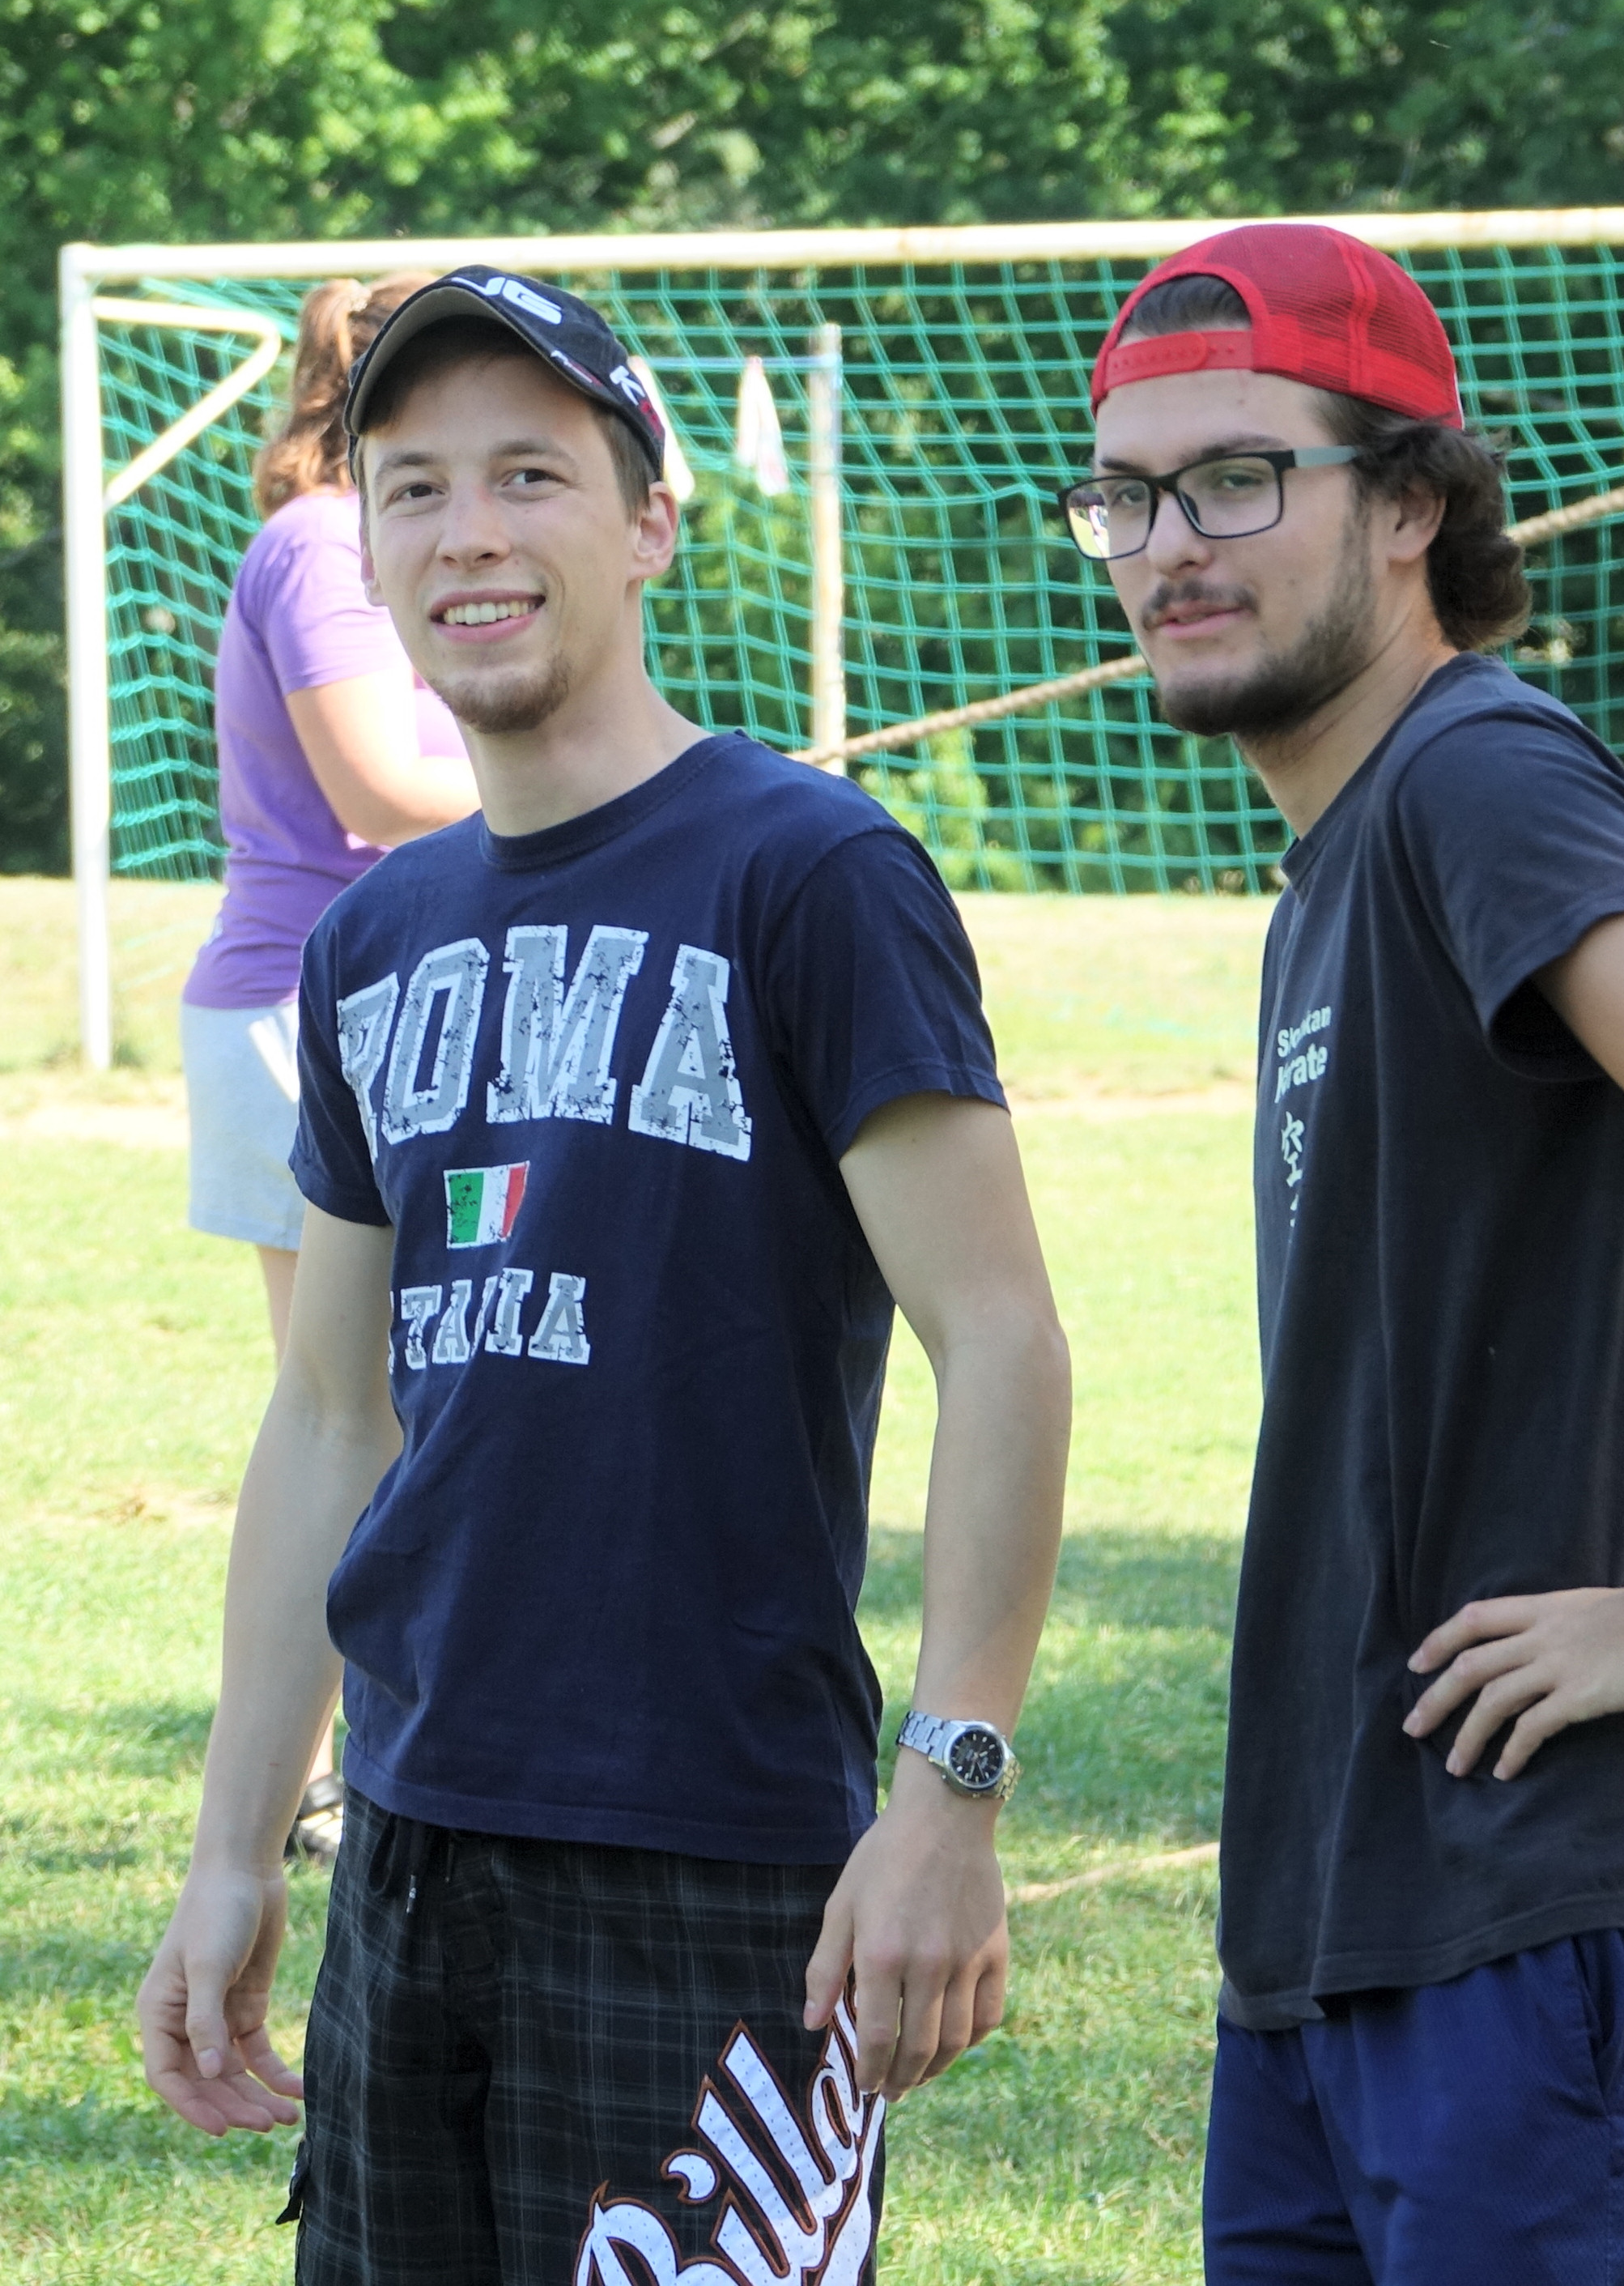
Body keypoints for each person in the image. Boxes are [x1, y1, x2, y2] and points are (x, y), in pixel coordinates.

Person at [138, 266, 1072, 2285]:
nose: (466, 532)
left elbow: (997, 1338)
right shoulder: (374, 936)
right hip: (409, 1842)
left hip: (715, 1855)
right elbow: (330, 1414)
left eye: (528, 476)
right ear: (364, 548)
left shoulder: (807, 871)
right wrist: (234, 1846)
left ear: (647, 522)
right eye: (412, 488)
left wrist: (951, 1792)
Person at [1065, 223, 1624, 2284]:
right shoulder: (1332, 862)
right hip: (1350, 1915)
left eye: (1238, 479)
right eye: (1126, 498)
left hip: (1553, 1897)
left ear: (1409, 505)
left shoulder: (1470, 773)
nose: (1169, 546)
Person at [181, 275, 479, 1868]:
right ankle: (316, 1773)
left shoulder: (350, 537)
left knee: (378, 1402)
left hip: (368, 1007)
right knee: (344, 1408)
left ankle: (353, 1756)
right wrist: (627, 782)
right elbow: (374, 787)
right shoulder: (318, 544)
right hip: (304, 1015)